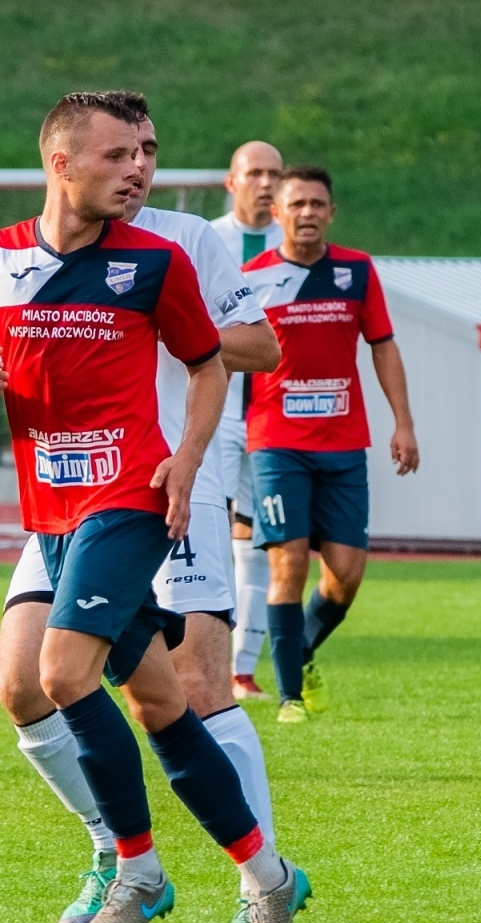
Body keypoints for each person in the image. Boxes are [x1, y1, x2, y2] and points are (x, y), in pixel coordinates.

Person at [0, 98, 306, 923]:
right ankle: (265, 872)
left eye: (147, 153)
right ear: (61, 164)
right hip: (52, 510)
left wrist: (189, 462)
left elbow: (217, 360)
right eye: (118, 154)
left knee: (72, 675)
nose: (138, 168)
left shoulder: (164, 256)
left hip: (137, 495)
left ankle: (135, 868)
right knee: (148, 699)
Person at [240, 165, 419, 724]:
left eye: (318, 204)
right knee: (287, 564)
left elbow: (383, 347)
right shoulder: (252, 277)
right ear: (277, 214)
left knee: (346, 574)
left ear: (331, 213)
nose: (307, 213)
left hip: (344, 444)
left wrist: (404, 423)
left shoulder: (356, 271)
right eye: (297, 204)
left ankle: (301, 651)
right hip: (277, 443)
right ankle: (290, 697)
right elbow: (225, 353)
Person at [211, 140, 286, 701]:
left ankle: (243, 671)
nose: (266, 183)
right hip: (214, 415)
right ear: (230, 182)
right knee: (206, 532)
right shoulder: (206, 240)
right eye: (254, 173)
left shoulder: (299, 247)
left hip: (271, 422)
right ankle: (202, 657)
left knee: (260, 543)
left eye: (274, 174)